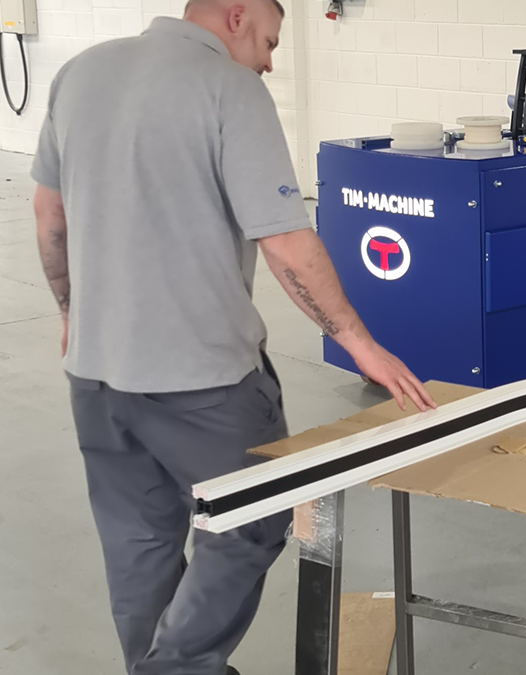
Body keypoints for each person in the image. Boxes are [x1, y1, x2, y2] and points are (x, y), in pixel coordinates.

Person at [30, 1, 436, 673]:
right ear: (237, 16)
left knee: (138, 541)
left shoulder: (80, 71)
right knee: (255, 516)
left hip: (94, 375)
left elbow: (50, 211)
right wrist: (359, 343)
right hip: (204, 379)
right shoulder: (230, 89)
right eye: (270, 42)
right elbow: (285, 241)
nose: (269, 62)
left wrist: (72, 312)